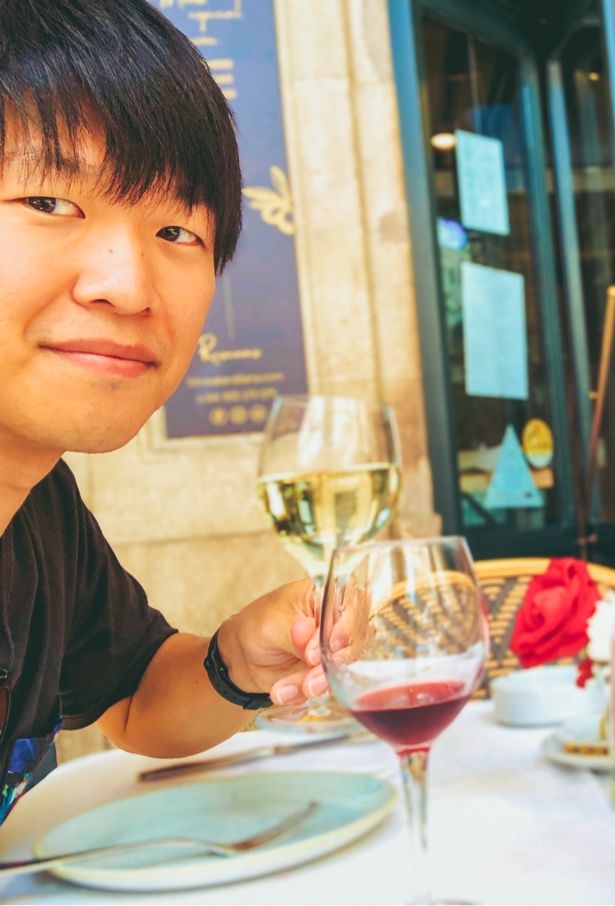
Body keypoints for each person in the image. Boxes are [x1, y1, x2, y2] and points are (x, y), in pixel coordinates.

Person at [0, 0, 327, 820]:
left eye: (178, 230)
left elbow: (136, 698)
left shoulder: (39, 505)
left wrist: (236, 661)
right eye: (48, 202)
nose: (127, 284)